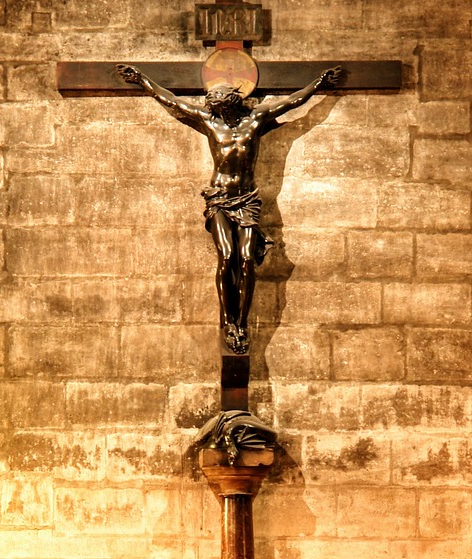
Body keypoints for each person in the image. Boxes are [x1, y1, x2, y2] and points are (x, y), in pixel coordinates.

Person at [116, 63, 342, 354]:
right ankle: (228, 321)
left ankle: (242, 321)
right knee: (227, 256)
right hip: (219, 198)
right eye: (212, 106)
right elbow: (172, 101)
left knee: (247, 260)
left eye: (219, 105)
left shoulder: (256, 119)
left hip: (247, 198)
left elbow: (293, 101)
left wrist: (320, 83)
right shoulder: (210, 122)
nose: (214, 109)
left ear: (231, 102)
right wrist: (143, 80)